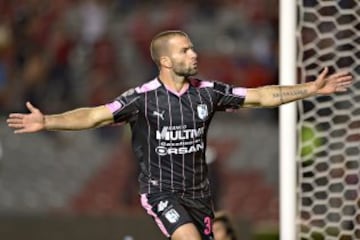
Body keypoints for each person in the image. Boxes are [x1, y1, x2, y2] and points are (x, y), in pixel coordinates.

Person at [7, 30, 352, 240]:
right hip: (161, 192)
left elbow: (261, 96)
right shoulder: (141, 99)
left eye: (192, 48)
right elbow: (94, 116)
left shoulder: (208, 91)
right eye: (185, 50)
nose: (194, 53)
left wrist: (310, 89)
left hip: (200, 195)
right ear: (166, 61)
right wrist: (47, 121)